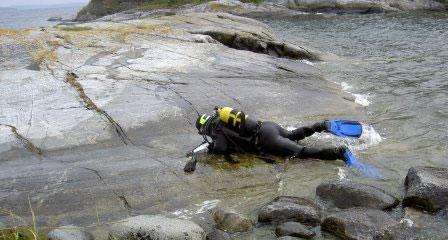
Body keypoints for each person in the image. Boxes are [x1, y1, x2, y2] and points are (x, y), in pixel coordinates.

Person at [184, 106, 358, 172]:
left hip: (265, 140)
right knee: (291, 136)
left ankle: (338, 153)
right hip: (268, 126)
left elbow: (221, 149)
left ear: (203, 127)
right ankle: (320, 126)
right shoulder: (221, 116)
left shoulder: (216, 129)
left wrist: (212, 148)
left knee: (300, 152)